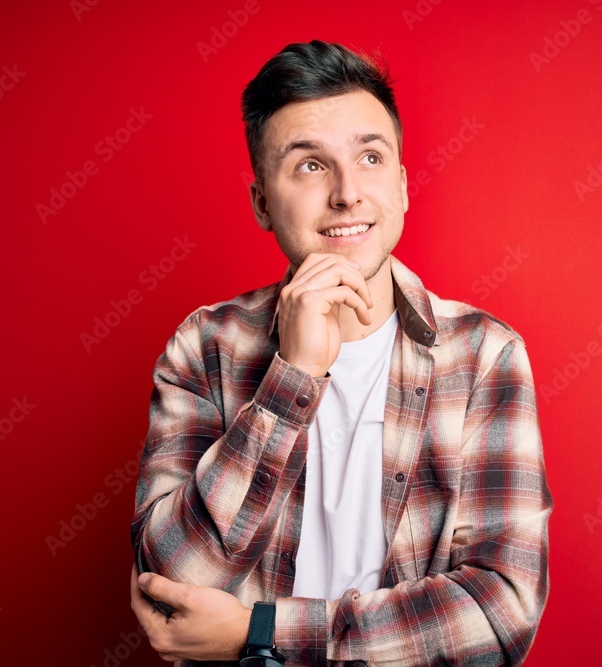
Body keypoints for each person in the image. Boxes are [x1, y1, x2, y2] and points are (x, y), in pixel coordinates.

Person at [129, 40, 551, 666]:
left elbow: (501, 614)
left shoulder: (485, 354)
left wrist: (261, 630)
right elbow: (170, 586)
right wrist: (291, 378)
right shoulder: (205, 347)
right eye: (309, 165)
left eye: (371, 157)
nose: (348, 193)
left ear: (403, 188)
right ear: (261, 204)